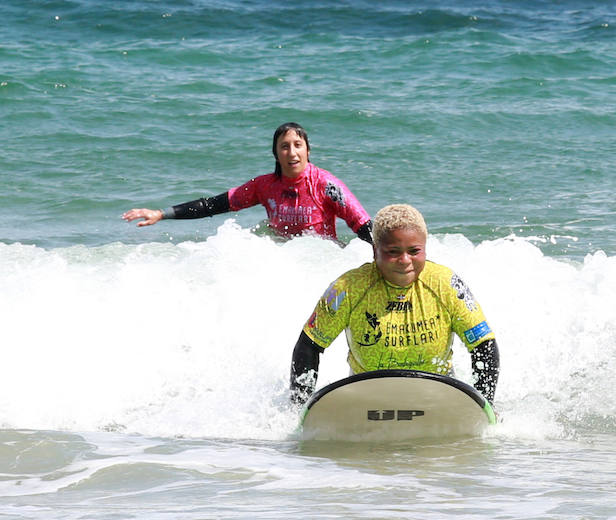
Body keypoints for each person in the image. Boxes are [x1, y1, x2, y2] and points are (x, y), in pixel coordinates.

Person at [288, 203, 500, 406]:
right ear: (374, 251)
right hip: (366, 397)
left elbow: (483, 345)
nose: (405, 260)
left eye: (414, 251)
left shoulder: (447, 285)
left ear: (425, 249)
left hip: (437, 396)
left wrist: (484, 405)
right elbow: (309, 345)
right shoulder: (348, 288)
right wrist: (299, 407)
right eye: (393, 252)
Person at [121, 122, 373, 243]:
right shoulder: (264, 186)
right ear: (276, 153)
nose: (292, 153)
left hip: (319, 261)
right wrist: (161, 214)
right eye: (284, 147)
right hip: (283, 258)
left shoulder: (326, 185)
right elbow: (213, 205)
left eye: (298, 145)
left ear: (308, 150)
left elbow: (361, 223)